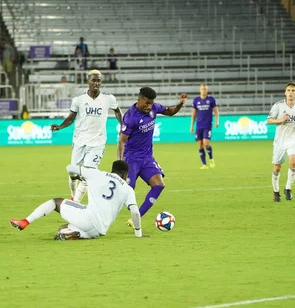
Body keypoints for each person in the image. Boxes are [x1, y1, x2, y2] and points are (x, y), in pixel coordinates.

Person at [10, 160, 146, 240]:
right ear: (125, 174)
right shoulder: (128, 189)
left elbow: (70, 168)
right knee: (63, 228)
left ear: (112, 170)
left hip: (88, 217)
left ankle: (25, 221)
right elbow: (135, 212)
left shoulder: (97, 174)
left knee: (56, 202)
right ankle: (74, 233)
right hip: (100, 230)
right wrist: (138, 234)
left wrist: (76, 176)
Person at [51, 69, 123, 203]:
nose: (96, 83)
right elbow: (71, 118)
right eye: (93, 80)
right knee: (73, 174)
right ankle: (73, 195)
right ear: (88, 81)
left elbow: (118, 111)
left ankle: (75, 202)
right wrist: (60, 126)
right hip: (79, 141)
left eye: (98, 81)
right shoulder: (79, 100)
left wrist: (124, 126)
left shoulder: (108, 98)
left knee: (88, 174)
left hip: (97, 142)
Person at [118, 87, 187, 226]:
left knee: (159, 185)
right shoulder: (130, 117)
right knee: (126, 192)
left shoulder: (154, 108)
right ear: (139, 100)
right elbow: (122, 141)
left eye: (151, 103)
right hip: (131, 159)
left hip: (147, 158)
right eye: (147, 103)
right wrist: (121, 164)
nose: (149, 106)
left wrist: (179, 104)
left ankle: (135, 218)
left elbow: (170, 112)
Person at [267, 82, 295, 202]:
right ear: (285, 92)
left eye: (293, 90)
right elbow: (269, 120)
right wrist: (281, 119)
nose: (290, 93)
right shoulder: (278, 105)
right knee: (277, 167)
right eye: (288, 90)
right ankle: (276, 192)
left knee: (293, 163)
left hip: (293, 139)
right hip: (280, 141)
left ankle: (288, 188)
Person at [189, 84, 219, 169]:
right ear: (200, 90)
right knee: (200, 145)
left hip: (207, 125)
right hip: (199, 126)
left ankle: (211, 159)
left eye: (205, 89)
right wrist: (192, 125)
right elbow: (194, 114)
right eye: (202, 89)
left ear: (207, 90)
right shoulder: (196, 100)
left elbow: (216, 111)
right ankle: (204, 164)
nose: (204, 91)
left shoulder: (211, 100)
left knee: (206, 143)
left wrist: (217, 121)